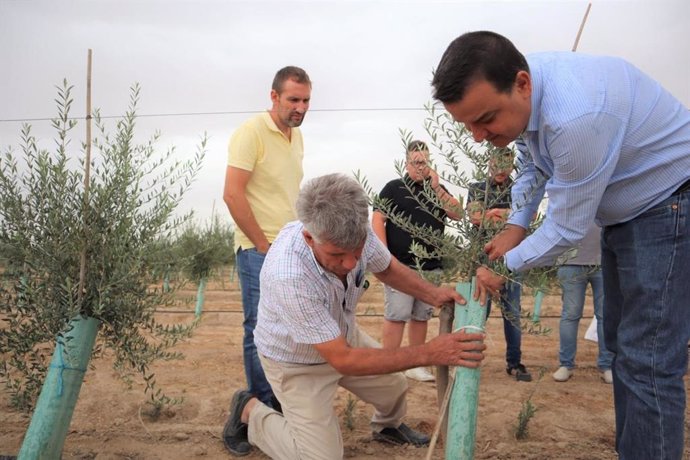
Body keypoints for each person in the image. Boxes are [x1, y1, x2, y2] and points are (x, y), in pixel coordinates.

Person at [431, 30, 690, 459]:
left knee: (647, 362)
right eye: (467, 125)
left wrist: (506, 264)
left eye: (486, 119)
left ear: (521, 84)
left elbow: (567, 229)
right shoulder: (529, 94)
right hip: (629, 217)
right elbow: (534, 163)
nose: (478, 136)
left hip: (668, 207)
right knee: (627, 353)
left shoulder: (577, 117)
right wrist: (515, 223)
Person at [223, 173, 486, 459]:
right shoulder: (289, 275)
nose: (350, 263)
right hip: (296, 363)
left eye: (356, 251)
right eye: (337, 255)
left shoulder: (354, 230)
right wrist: (429, 353)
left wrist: (433, 294)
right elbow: (344, 359)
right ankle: (250, 411)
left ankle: (387, 427)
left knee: (395, 386)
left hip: (341, 337)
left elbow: (385, 268)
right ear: (310, 238)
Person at [222, 66, 311, 413]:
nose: (300, 107)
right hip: (259, 249)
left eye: (305, 100)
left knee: (287, 328)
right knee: (259, 329)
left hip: (289, 248)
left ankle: (280, 403)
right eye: (293, 99)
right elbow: (232, 194)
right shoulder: (251, 133)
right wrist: (262, 244)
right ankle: (260, 408)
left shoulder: (297, 136)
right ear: (273, 96)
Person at [372, 140, 462, 382]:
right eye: (416, 162)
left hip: (431, 267)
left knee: (421, 316)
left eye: (425, 162)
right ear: (407, 162)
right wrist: (384, 255)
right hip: (400, 265)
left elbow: (458, 214)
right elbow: (378, 219)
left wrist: (437, 188)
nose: (421, 167)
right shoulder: (393, 188)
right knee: (397, 314)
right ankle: (388, 365)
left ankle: (414, 365)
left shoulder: (438, 189)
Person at [466, 148, 531, 382]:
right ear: (490, 162)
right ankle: (469, 360)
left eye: (506, 164)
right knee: (478, 312)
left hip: (511, 260)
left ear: (512, 165)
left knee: (512, 313)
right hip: (482, 259)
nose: (501, 169)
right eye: (498, 163)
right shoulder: (477, 188)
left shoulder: (519, 188)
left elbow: (530, 217)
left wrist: (493, 212)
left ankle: (514, 363)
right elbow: (475, 217)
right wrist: (511, 215)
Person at [552, 222, 614, 384]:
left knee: (605, 315)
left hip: (604, 261)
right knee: (570, 314)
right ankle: (566, 364)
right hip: (569, 262)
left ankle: (607, 365)